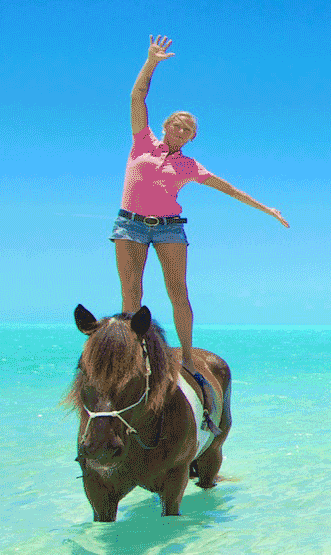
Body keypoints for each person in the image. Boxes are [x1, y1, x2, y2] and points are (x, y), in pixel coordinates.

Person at [114, 35, 289, 370]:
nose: (181, 130)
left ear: (192, 137)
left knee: (178, 293)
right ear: (165, 127)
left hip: (169, 229)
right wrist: (151, 62)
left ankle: (189, 358)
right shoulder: (142, 142)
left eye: (188, 129)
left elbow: (230, 190)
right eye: (177, 124)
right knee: (131, 294)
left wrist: (267, 209)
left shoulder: (190, 166)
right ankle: (131, 355)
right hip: (130, 225)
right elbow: (137, 95)